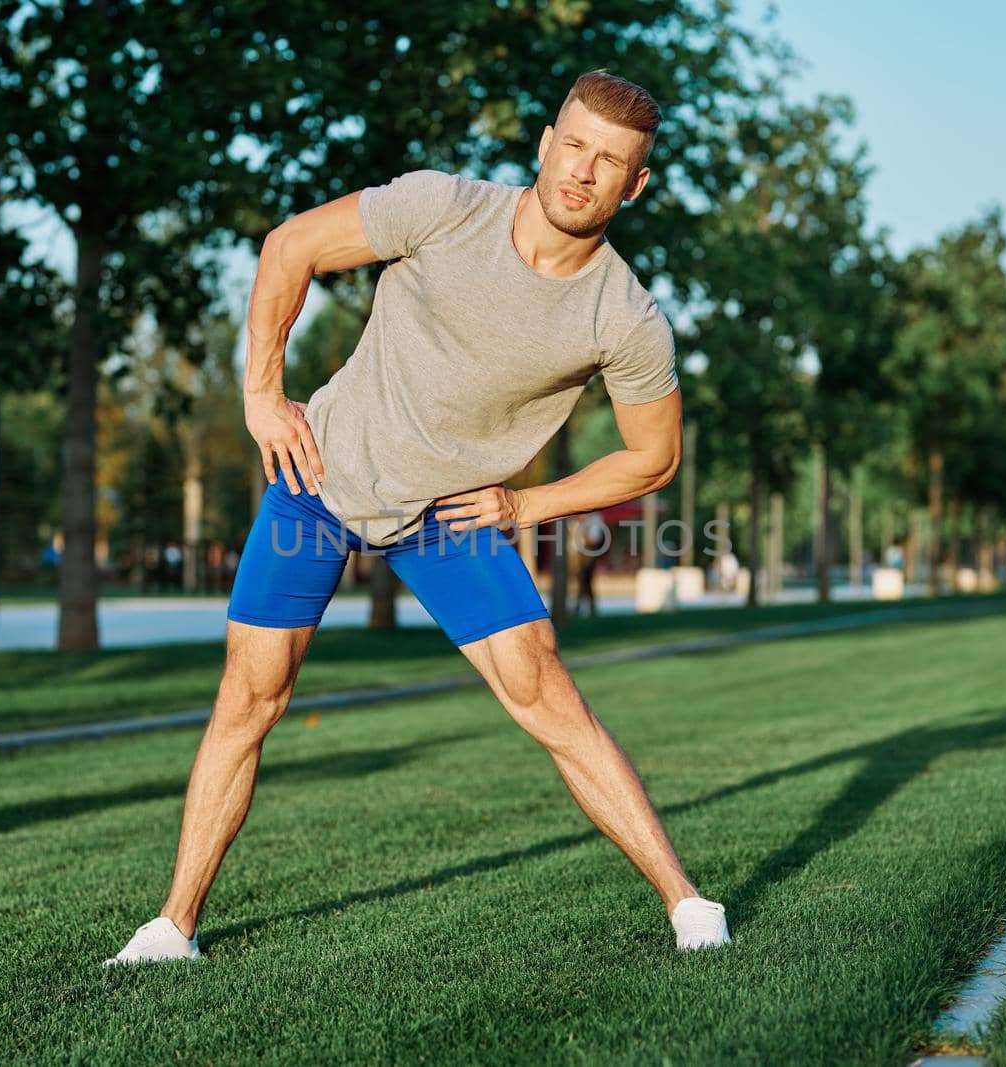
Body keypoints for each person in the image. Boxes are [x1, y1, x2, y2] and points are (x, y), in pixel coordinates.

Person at [105, 70, 730, 966]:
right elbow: (290, 248)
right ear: (546, 142)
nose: (584, 172)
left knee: (547, 695)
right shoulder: (441, 206)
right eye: (576, 145)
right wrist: (261, 396)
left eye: (611, 162)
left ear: (636, 185)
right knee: (250, 696)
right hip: (318, 479)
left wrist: (527, 504)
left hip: (448, 515)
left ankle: (687, 905)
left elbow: (653, 457)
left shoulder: (625, 318)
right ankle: (172, 927)